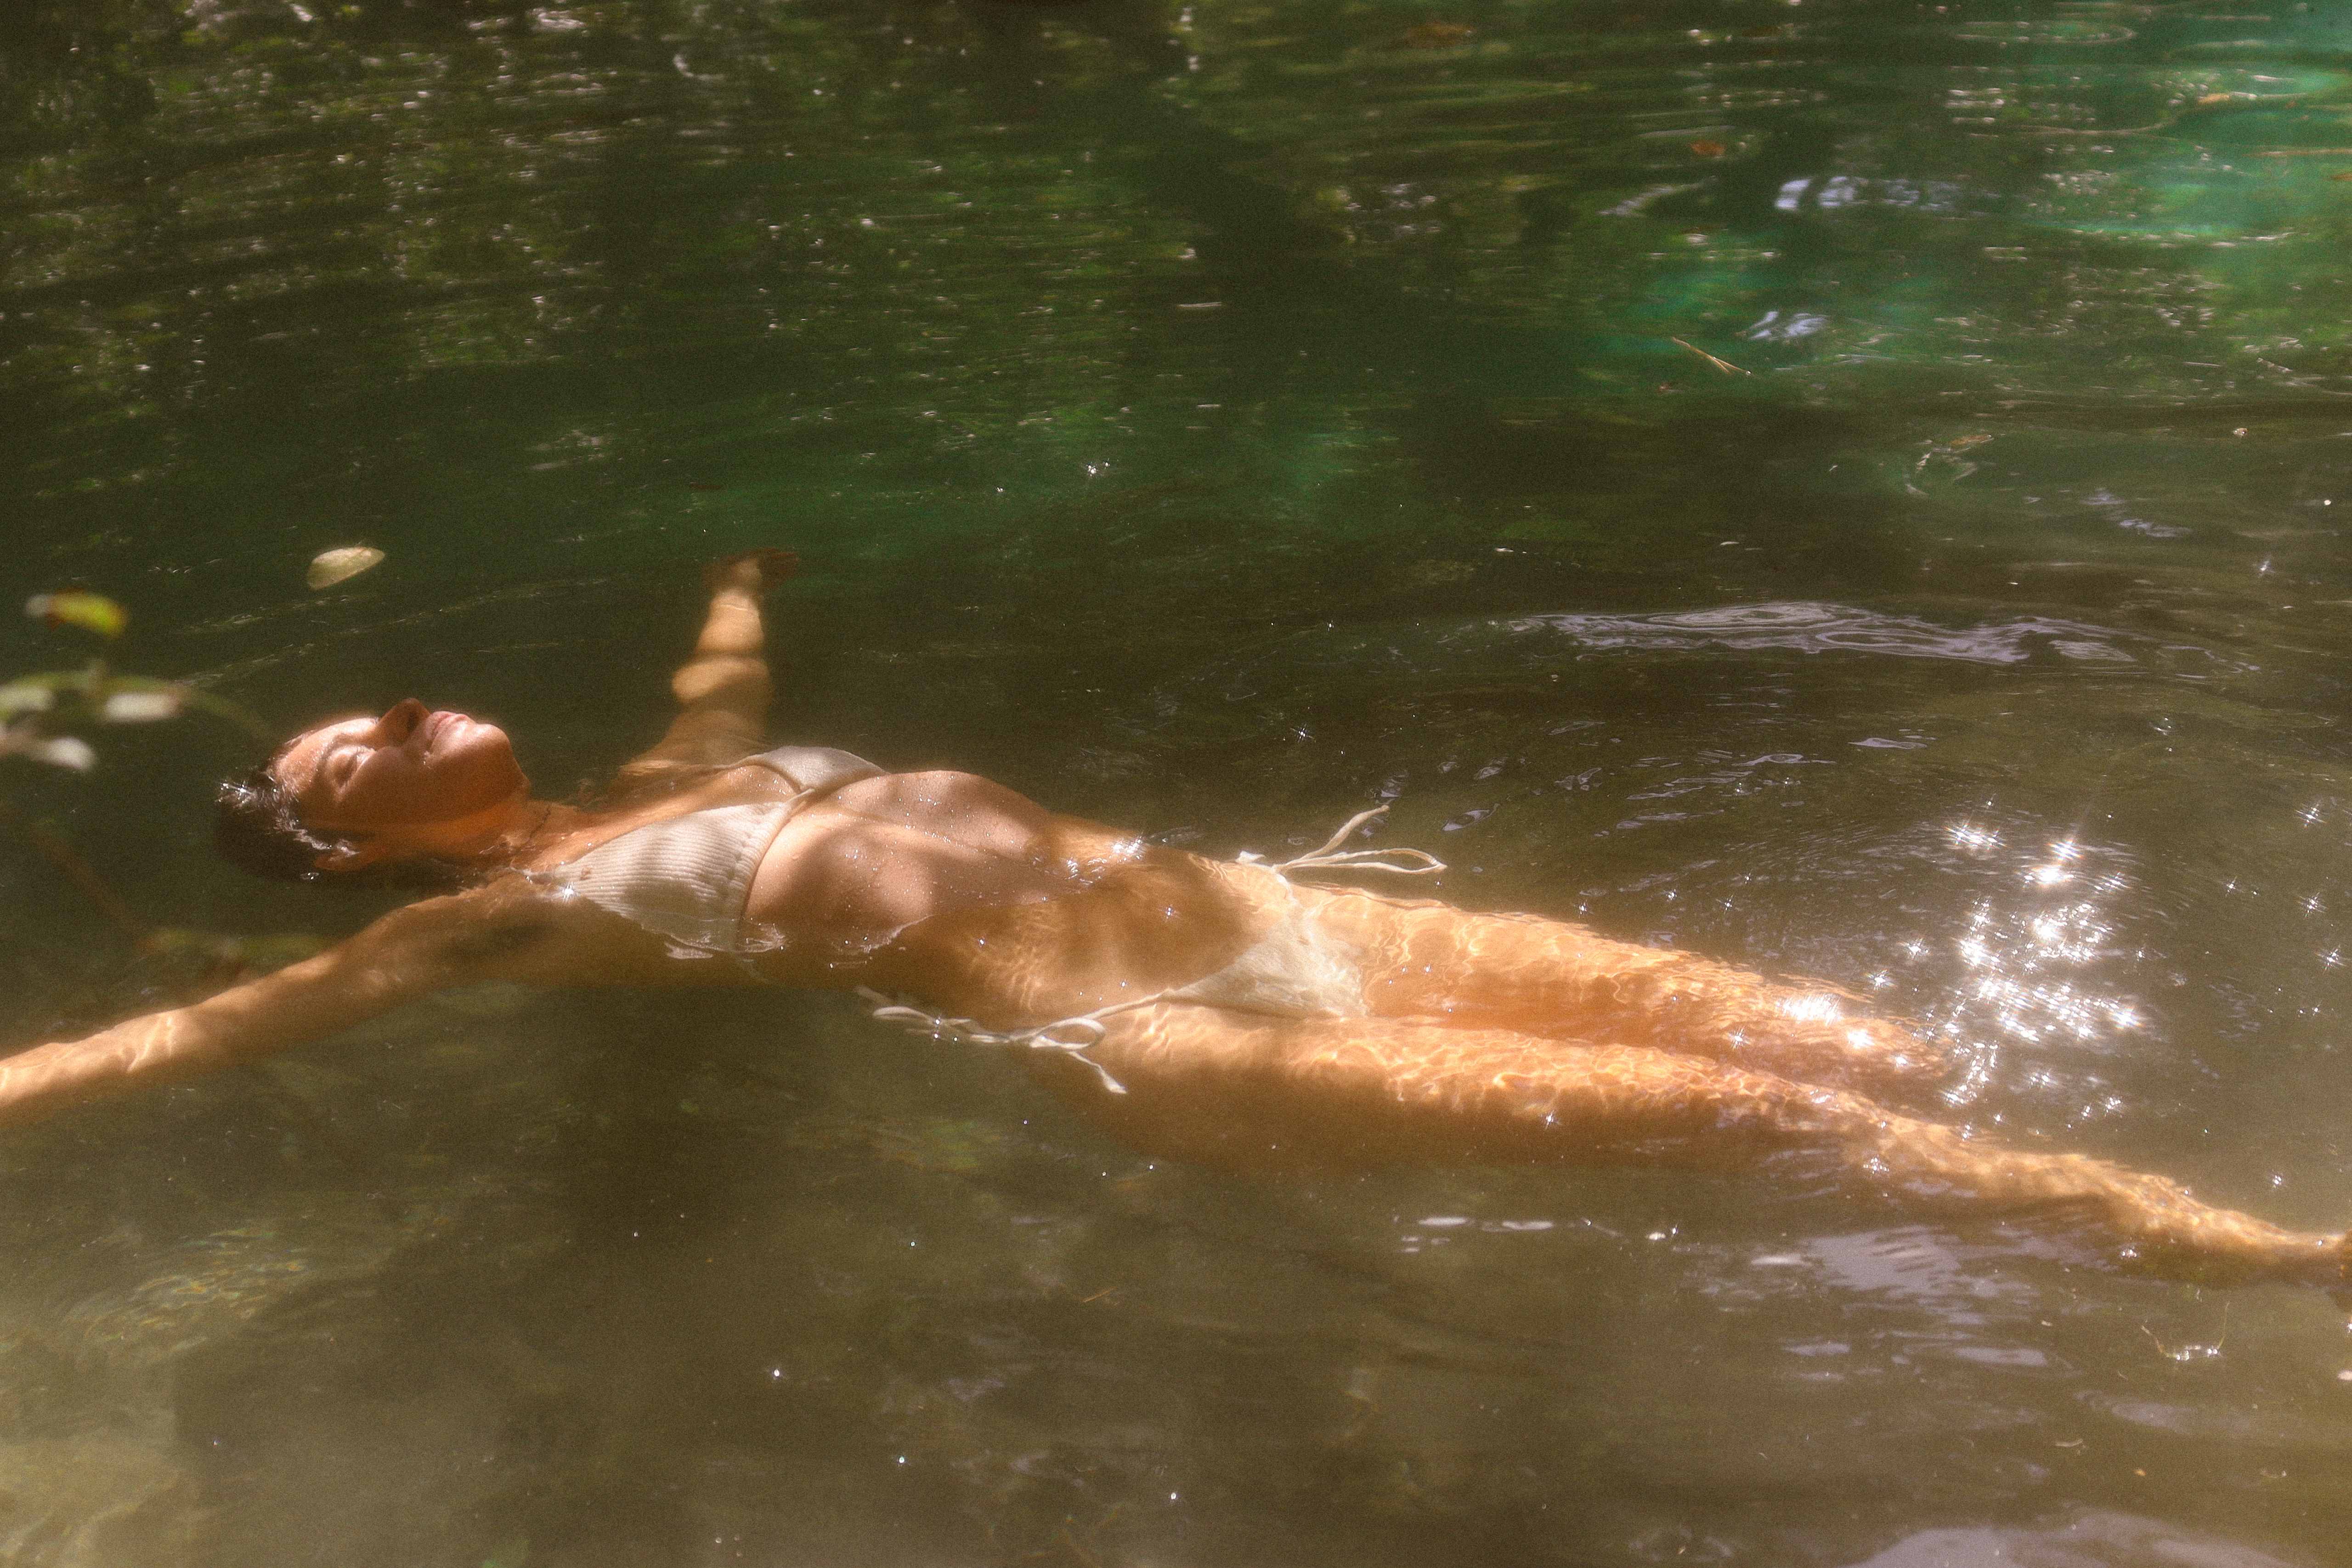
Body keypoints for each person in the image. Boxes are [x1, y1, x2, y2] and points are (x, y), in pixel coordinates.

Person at [0, 550, 2343, 1292]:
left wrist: (733, 575)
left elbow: (734, 686)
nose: (380, 706)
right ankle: (2248, 1249)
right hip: (1175, 1042)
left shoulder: (657, 779)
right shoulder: (457, 938)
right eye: (336, 751)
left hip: (1279, 916)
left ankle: (2153, 1194)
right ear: (355, 852)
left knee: (1864, 1041)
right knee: (1770, 1126)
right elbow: (161, 1053)